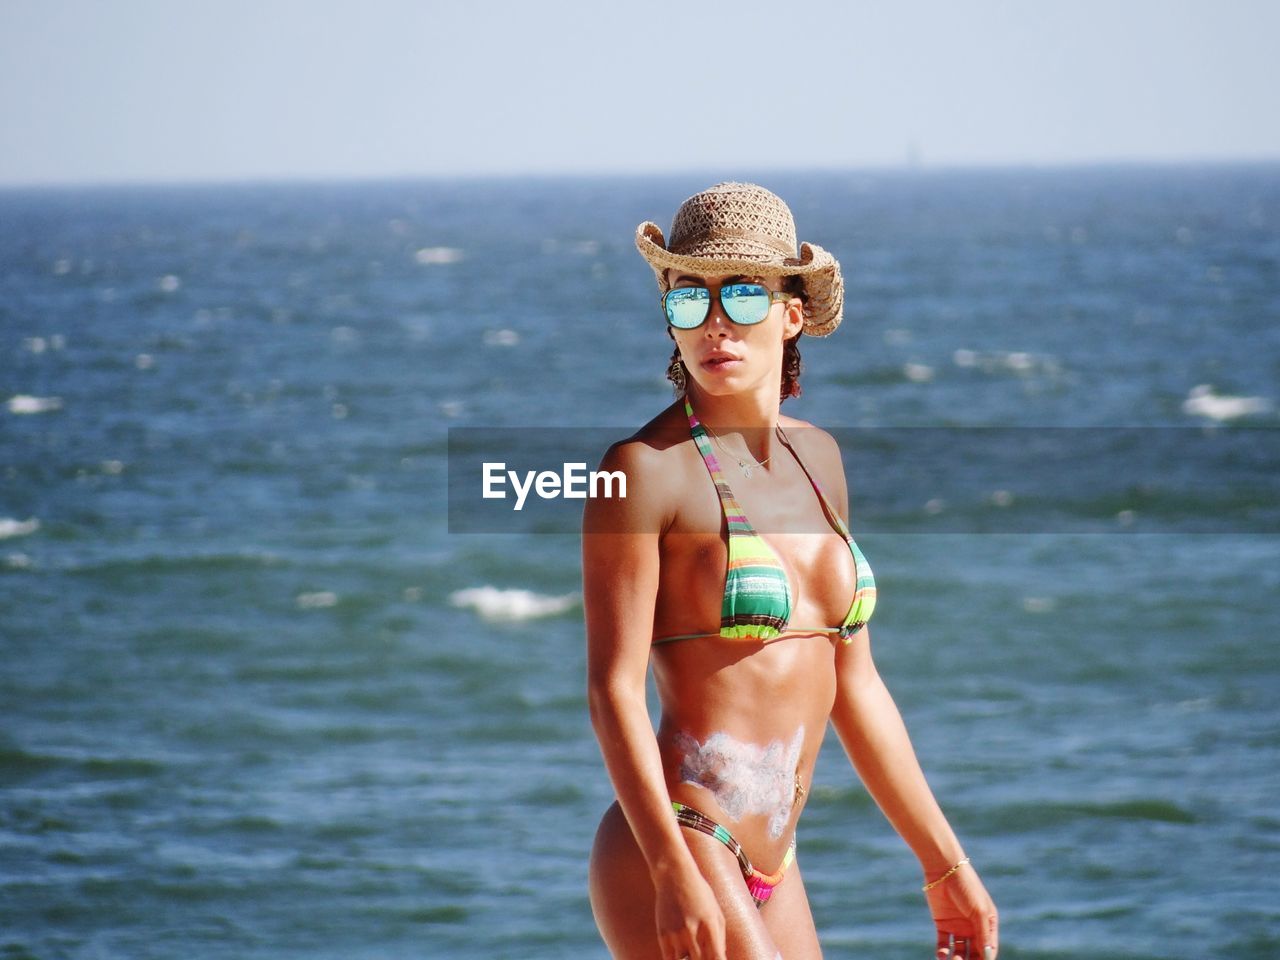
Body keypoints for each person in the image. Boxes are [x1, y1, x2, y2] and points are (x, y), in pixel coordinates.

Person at [581, 182, 998, 960]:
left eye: (741, 297)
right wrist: (672, 870)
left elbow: (857, 685)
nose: (714, 325)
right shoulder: (644, 472)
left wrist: (944, 863)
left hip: (776, 858)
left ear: (792, 312)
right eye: (687, 300)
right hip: (679, 842)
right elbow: (612, 692)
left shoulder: (821, 462)